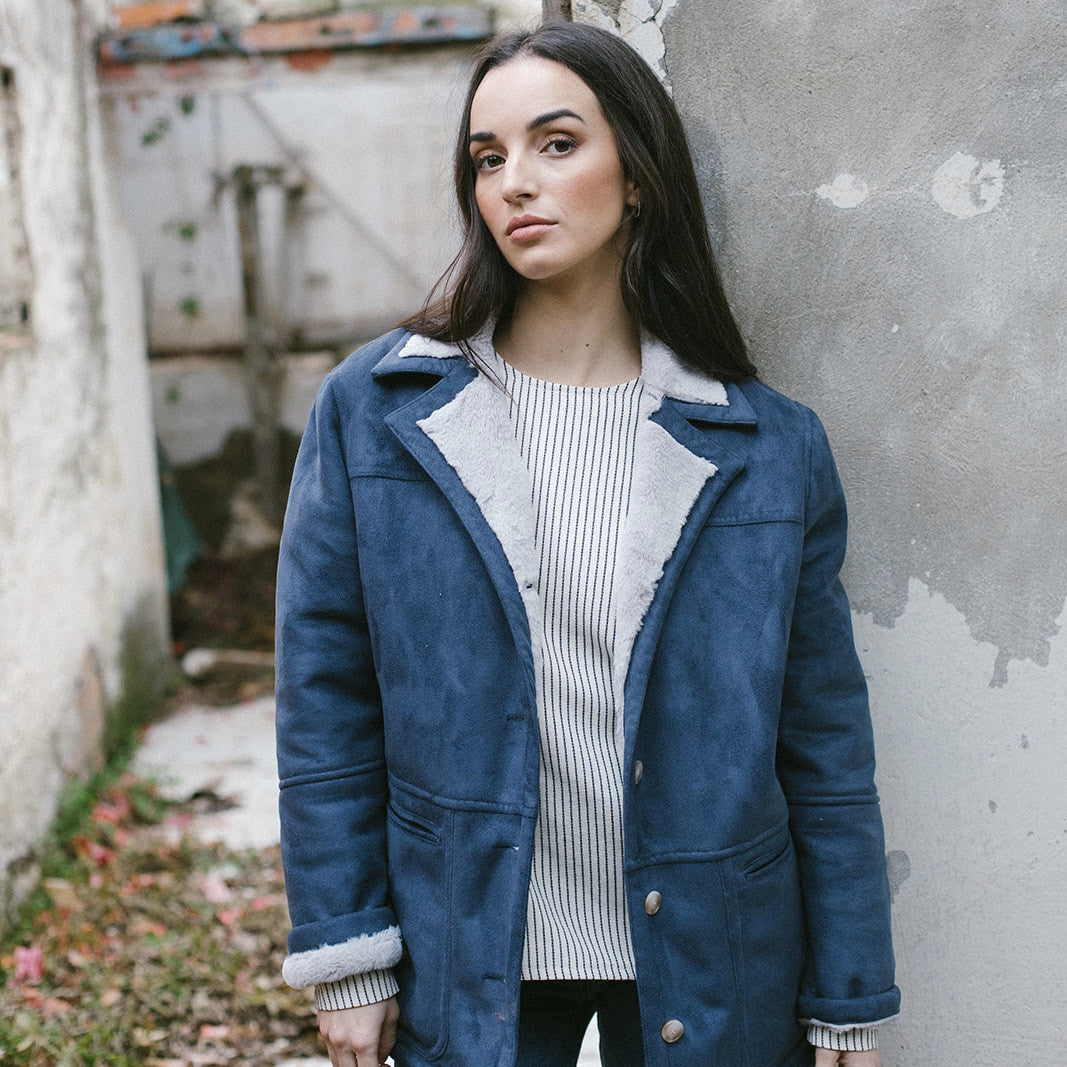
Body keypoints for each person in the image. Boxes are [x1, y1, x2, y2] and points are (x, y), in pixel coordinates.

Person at [275, 19, 900, 1067]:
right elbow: (324, 700)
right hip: (469, 947)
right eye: (488, 157)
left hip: (713, 958)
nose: (514, 180)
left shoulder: (767, 446)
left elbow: (822, 740)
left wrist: (847, 989)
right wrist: (345, 954)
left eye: (555, 143)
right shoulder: (376, 415)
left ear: (639, 177)